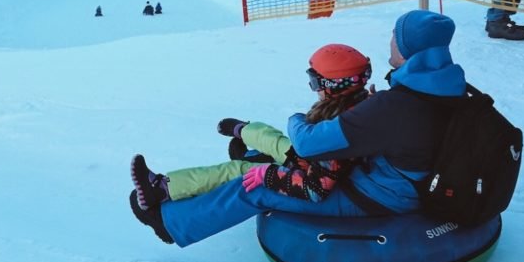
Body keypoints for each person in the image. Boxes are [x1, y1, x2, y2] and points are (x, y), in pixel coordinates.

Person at [128, 10, 468, 246]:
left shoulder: (392, 106)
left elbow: (309, 150)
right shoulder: (443, 87)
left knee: (252, 186)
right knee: (265, 163)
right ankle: (222, 163)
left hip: (380, 197)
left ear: (409, 49)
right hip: (398, 181)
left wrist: (295, 124)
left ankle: (171, 225)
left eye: (396, 37)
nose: (390, 41)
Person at [130, 45, 373, 234]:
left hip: (328, 186)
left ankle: (162, 194)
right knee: (279, 143)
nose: (314, 89)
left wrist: (268, 174)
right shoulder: (353, 107)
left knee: (242, 171)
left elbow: (314, 189)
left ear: (334, 85)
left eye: (315, 82)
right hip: (318, 166)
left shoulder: (338, 131)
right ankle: (245, 131)